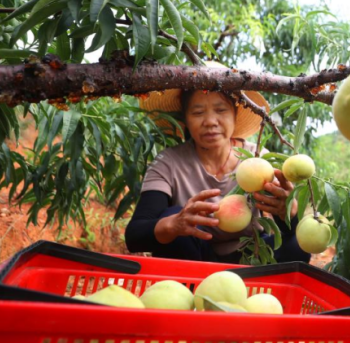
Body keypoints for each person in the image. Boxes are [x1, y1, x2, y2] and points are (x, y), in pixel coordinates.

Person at [124, 71, 310, 265]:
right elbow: (135, 236)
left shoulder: (256, 161)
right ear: (185, 119)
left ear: (235, 115)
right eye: (197, 112)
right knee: (171, 219)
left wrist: (287, 210)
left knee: (298, 245)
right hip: (193, 260)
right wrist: (175, 224)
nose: (210, 122)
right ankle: (188, 291)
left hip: (251, 257)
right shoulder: (168, 163)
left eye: (220, 110)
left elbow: (290, 232)